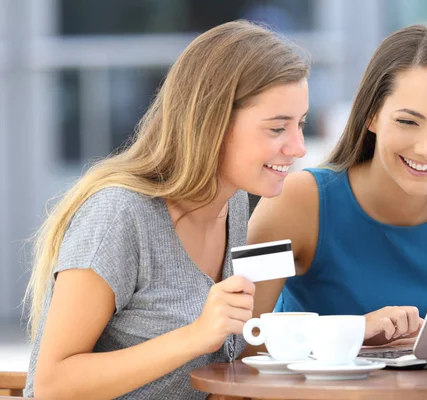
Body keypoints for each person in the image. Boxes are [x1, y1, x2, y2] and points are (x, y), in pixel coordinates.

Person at [23, 20, 309, 399]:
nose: (299, 147)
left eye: (301, 124)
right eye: (277, 129)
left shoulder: (234, 202)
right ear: (212, 122)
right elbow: (50, 386)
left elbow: (238, 356)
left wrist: (352, 335)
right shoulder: (119, 215)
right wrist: (195, 336)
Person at [247, 24, 427, 347]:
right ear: (371, 115)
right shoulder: (296, 204)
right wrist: (353, 331)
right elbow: (238, 344)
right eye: (408, 122)